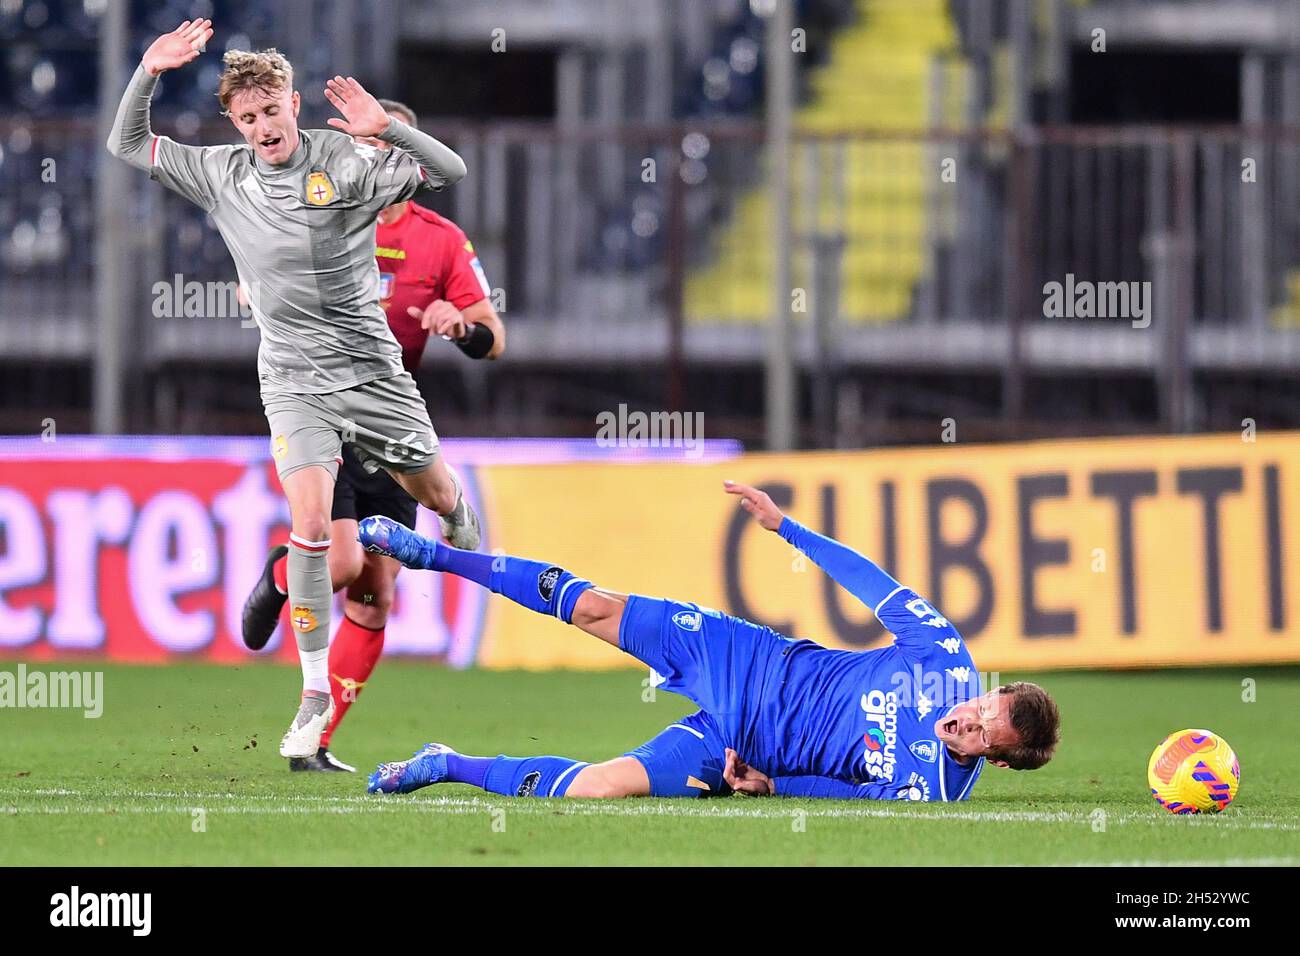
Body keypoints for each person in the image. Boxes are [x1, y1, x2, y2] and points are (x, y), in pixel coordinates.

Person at [107, 19, 481, 760]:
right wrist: (148, 71)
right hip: (292, 379)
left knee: (435, 497)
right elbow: (126, 144)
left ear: (293, 103)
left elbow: (452, 173)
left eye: (271, 110)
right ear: (235, 123)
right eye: (247, 118)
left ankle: (458, 510)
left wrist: (389, 133)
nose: (262, 126)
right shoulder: (219, 172)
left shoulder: (344, 158)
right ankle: (313, 694)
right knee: (312, 527)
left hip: (373, 372)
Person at [358, 481, 1060, 801]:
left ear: (990, 762)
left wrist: (772, 784)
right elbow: (870, 584)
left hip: (742, 746)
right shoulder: (944, 662)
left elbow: (849, 793)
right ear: (988, 689)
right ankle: (434, 554)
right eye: (982, 708)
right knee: (596, 607)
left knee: (602, 788)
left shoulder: (931, 787)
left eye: (979, 736)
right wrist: (787, 528)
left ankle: (446, 764)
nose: (965, 720)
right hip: (749, 659)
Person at [239, 99, 505, 772]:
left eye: (380, 146)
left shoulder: (440, 238)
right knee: (342, 563)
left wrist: (459, 325)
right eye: (357, 145)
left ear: (401, 155)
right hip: (321, 405)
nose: (366, 158)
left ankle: (316, 741)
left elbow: (493, 339)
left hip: (388, 413)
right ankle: (280, 575)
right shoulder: (312, 210)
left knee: (376, 593)